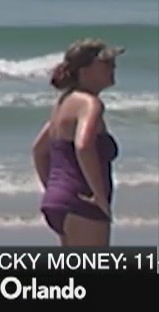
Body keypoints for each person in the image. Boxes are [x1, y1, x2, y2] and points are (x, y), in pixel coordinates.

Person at [32, 38, 124, 247]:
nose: (113, 68)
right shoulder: (90, 104)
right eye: (106, 63)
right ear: (85, 70)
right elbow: (84, 146)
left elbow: (39, 150)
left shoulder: (64, 103)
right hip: (82, 201)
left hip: (60, 202)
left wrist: (54, 189)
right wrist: (99, 196)